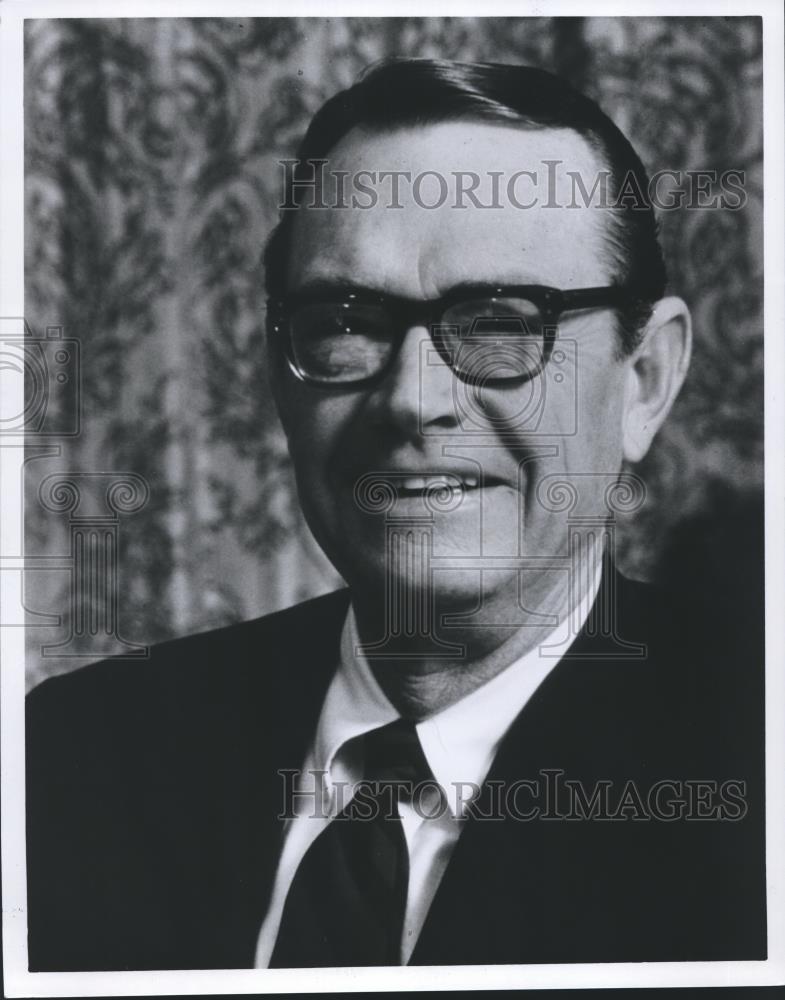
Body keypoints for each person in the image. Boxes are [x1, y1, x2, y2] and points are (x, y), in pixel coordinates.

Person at [26, 58, 766, 971]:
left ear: (644, 381)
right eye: (346, 323)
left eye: (500, 321)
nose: (414, 400)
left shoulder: (748, 762)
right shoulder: (78, 755)